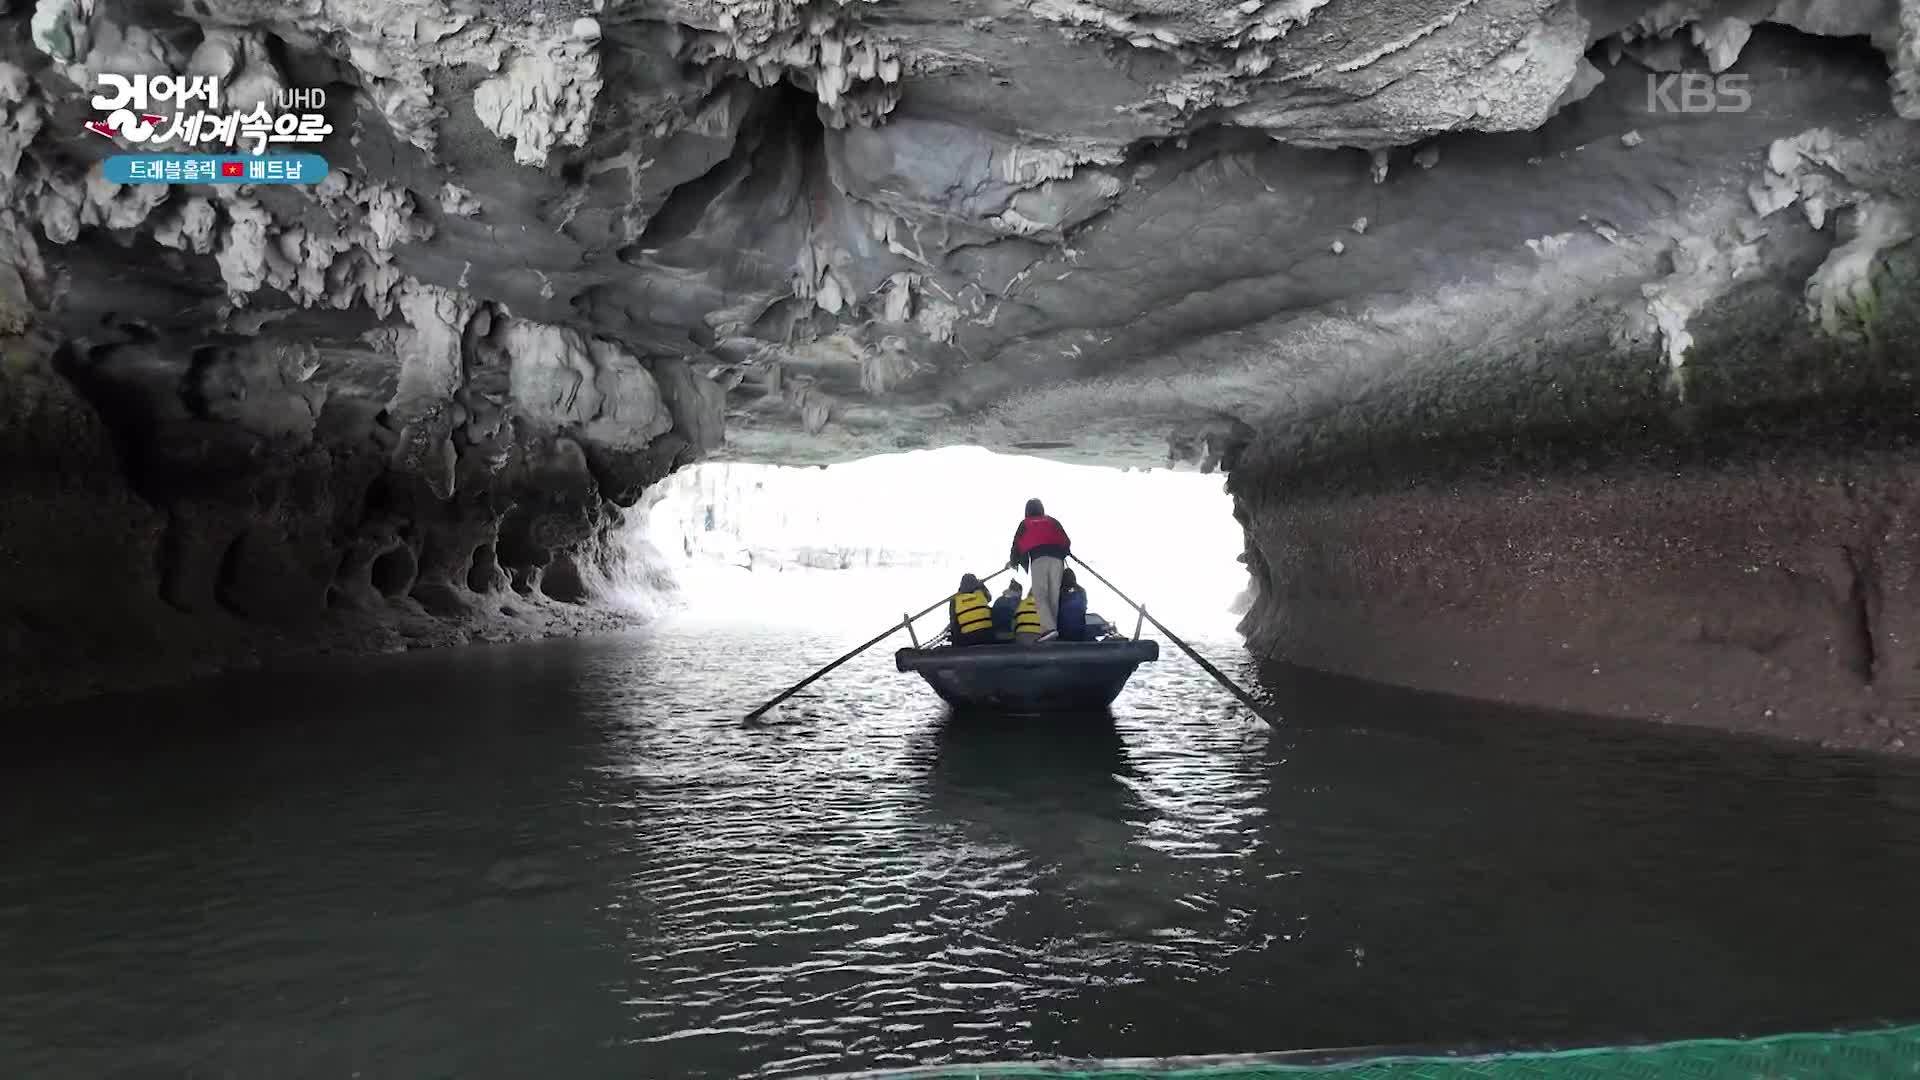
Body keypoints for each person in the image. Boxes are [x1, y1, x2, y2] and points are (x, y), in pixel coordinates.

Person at [1007, 498, 1070, 641]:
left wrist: (1014, 561)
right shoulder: (1052, 521)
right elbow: (1065, 540)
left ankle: (1049, 629)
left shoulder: (1026, 523)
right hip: (1057, 560)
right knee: (1053, 595)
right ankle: (1052, 630)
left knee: (1040, 595)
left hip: (1039, 558)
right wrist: (1064, 552)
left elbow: (1017, 544)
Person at [947, 573, 995, 646]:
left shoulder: (955, 600)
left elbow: (953, 622)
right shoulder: (981, 593)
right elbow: (989, 598)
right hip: (987, 634)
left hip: (968, 638)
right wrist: (982, 585)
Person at [1056, 567, 1089, 641]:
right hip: (1079, 630)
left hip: (1063, 630)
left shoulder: (1059, 591)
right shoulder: (1081, 590)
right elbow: (1084, 607)